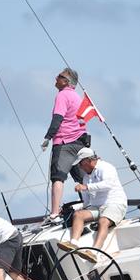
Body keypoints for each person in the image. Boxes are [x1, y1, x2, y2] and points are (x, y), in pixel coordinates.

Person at [56, 148, 127, 263]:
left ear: (88, 160)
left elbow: (108, 184)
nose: (79, 166)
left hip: (114, 203)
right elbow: (86, 202)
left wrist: (87, 187)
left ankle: (94, 252)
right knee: (78, 215)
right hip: (97, 207)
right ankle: (74, 243)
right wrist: (72, 208)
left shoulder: (106, 167)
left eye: (80, 163)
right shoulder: (86, 178)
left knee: (103, 221)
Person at [41, 67, 90, 220]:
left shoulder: (63, 95)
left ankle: (54, 214)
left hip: (64, 142)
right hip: (80, 143)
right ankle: (90, 207)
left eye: (60, 76)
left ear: (66, 81)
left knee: (58, 177)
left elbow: (58, 118)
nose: (56, 77)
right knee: (84, 179)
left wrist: (48, 137)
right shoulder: (77, 97)